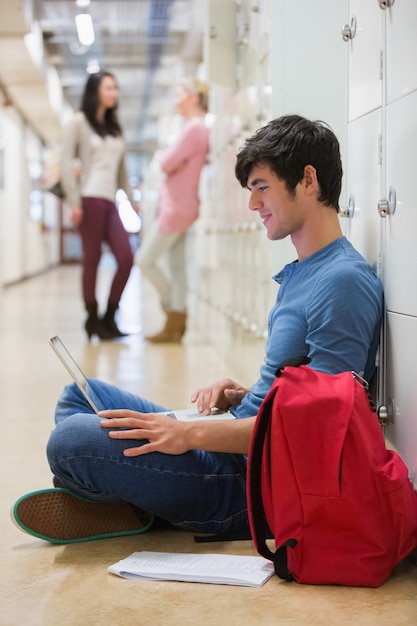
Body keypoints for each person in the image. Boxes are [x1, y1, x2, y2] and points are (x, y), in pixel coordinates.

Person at [12, 115, 383, 543]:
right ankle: (133, 499)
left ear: (308, 180)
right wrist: (244, 396)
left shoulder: (342, 281)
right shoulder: (306, 271)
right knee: (80, 395)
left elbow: (321, 429)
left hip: (248, 484)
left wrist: (188, 433)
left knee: (70, 441)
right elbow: (302, 391)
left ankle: (133, 500)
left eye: (262, 187)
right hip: (238, 439)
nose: (252, 204)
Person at [60, 69, 140, 340]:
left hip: (110, 201)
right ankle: (92, 319)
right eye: (108, 88)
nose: (113, 93)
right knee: (92, 259)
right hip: (89, 198)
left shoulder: (115, 127)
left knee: (126, 258)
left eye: (115, 88)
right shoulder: (79, 122)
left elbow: (122, 171)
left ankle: (109, 317)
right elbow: (65, 163)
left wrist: (131, 200)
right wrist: (73, 201)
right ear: (95, 92)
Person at [136, 77, 210, 342]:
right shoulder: (195, 129)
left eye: (180, 95)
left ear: (193, 98)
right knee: (177, 268)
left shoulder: (194, 129)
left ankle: (173, 310)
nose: (177, 100)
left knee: (144, 260)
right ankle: (175, 327)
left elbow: (166, 163)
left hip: (176, 208)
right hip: (182, 206)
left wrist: (171, 163)